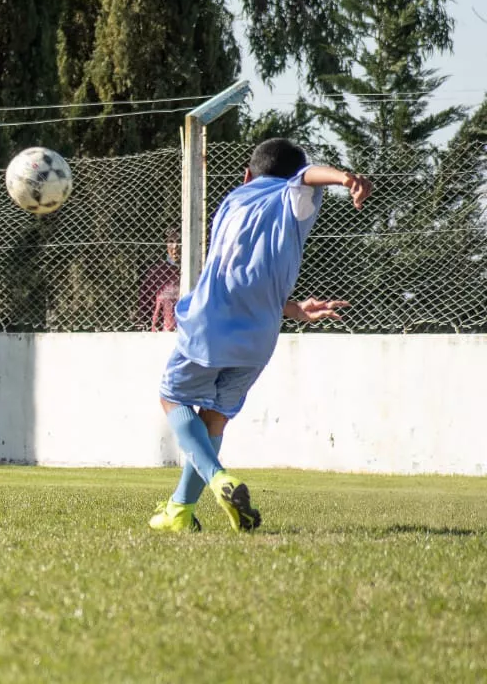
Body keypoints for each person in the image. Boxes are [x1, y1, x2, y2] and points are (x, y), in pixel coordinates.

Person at [149, 138, 372, 533]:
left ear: (247, 175)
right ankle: (179, 511)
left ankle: (220, 480)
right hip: (259, 336)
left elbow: (234, 274)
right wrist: (342, 177)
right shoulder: (294, 201)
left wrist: (340, 177)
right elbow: (305, 179)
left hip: (210, 324)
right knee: (214, 418)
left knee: (173, 398)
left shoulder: (234, 201)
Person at [137, 227, 181, 331]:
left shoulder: (199, 270)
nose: (175, 247)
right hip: (162, 335)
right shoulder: (156, 273)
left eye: (179, 242)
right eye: (171, 241)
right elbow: (144, 306)